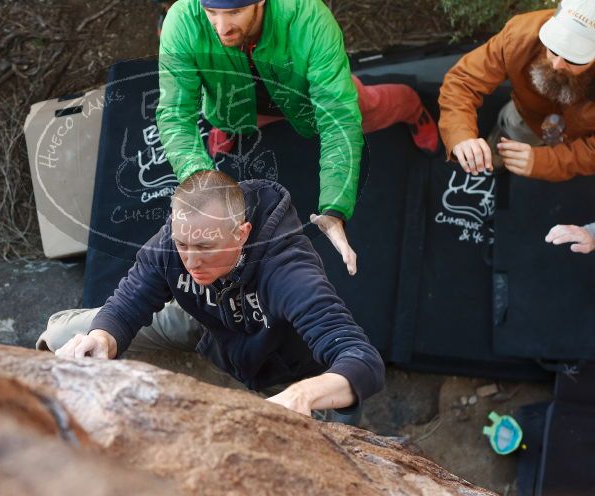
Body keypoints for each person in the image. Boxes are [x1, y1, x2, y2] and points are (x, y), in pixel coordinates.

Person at [38, 171, 385, 419]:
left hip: (283, 363)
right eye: (182, 244)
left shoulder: (288, 270)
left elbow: (362, 359)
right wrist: (103, 338)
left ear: (242, 233)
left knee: (334, 442)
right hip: (206, 325)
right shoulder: (174, 242)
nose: (191, 259)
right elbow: (128, 303)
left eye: (205, 247)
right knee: (65, 338)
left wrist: (302, 394)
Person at [157, 0, 438, 277]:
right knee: (228, 120)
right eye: (211, 12)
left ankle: (412, 107)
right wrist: (205, 189)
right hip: (236, 105)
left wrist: (335, 206)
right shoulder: (182, 21)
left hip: (307, 101)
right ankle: (231, 127)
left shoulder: (309, 17)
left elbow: (337, 117)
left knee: (368, 109)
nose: (221, 28)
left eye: (234, 12)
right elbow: (175, 114)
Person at [438, 0, 595, 180]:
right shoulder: (520, 35)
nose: (557, 64)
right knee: (512, 127)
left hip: (580, 136)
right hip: (526, 119)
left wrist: (546, 162)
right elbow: (462, 81)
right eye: (553, 47)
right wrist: (460, 134)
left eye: (574, 58)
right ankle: (500, 153)